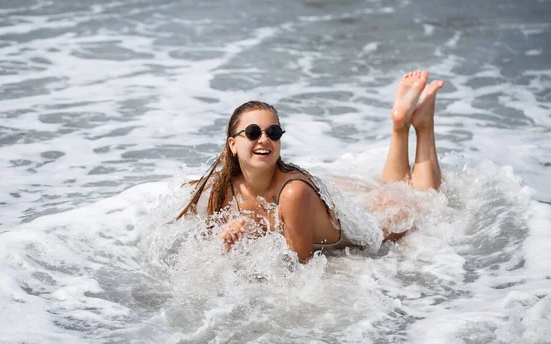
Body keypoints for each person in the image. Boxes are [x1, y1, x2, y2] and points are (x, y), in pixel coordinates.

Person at [176, 70, 445, 262]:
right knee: (392, 187)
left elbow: (298, 266)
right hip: (356, 205)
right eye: (253, 131)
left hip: (376, 225)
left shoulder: (293, 193)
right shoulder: (224, 188)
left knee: (423, 201)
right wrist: (223, 242)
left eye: (273, 132)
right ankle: (400, 125)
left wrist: (244, 247)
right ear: (233, 144)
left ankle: (423, 125)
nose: (264, 139)